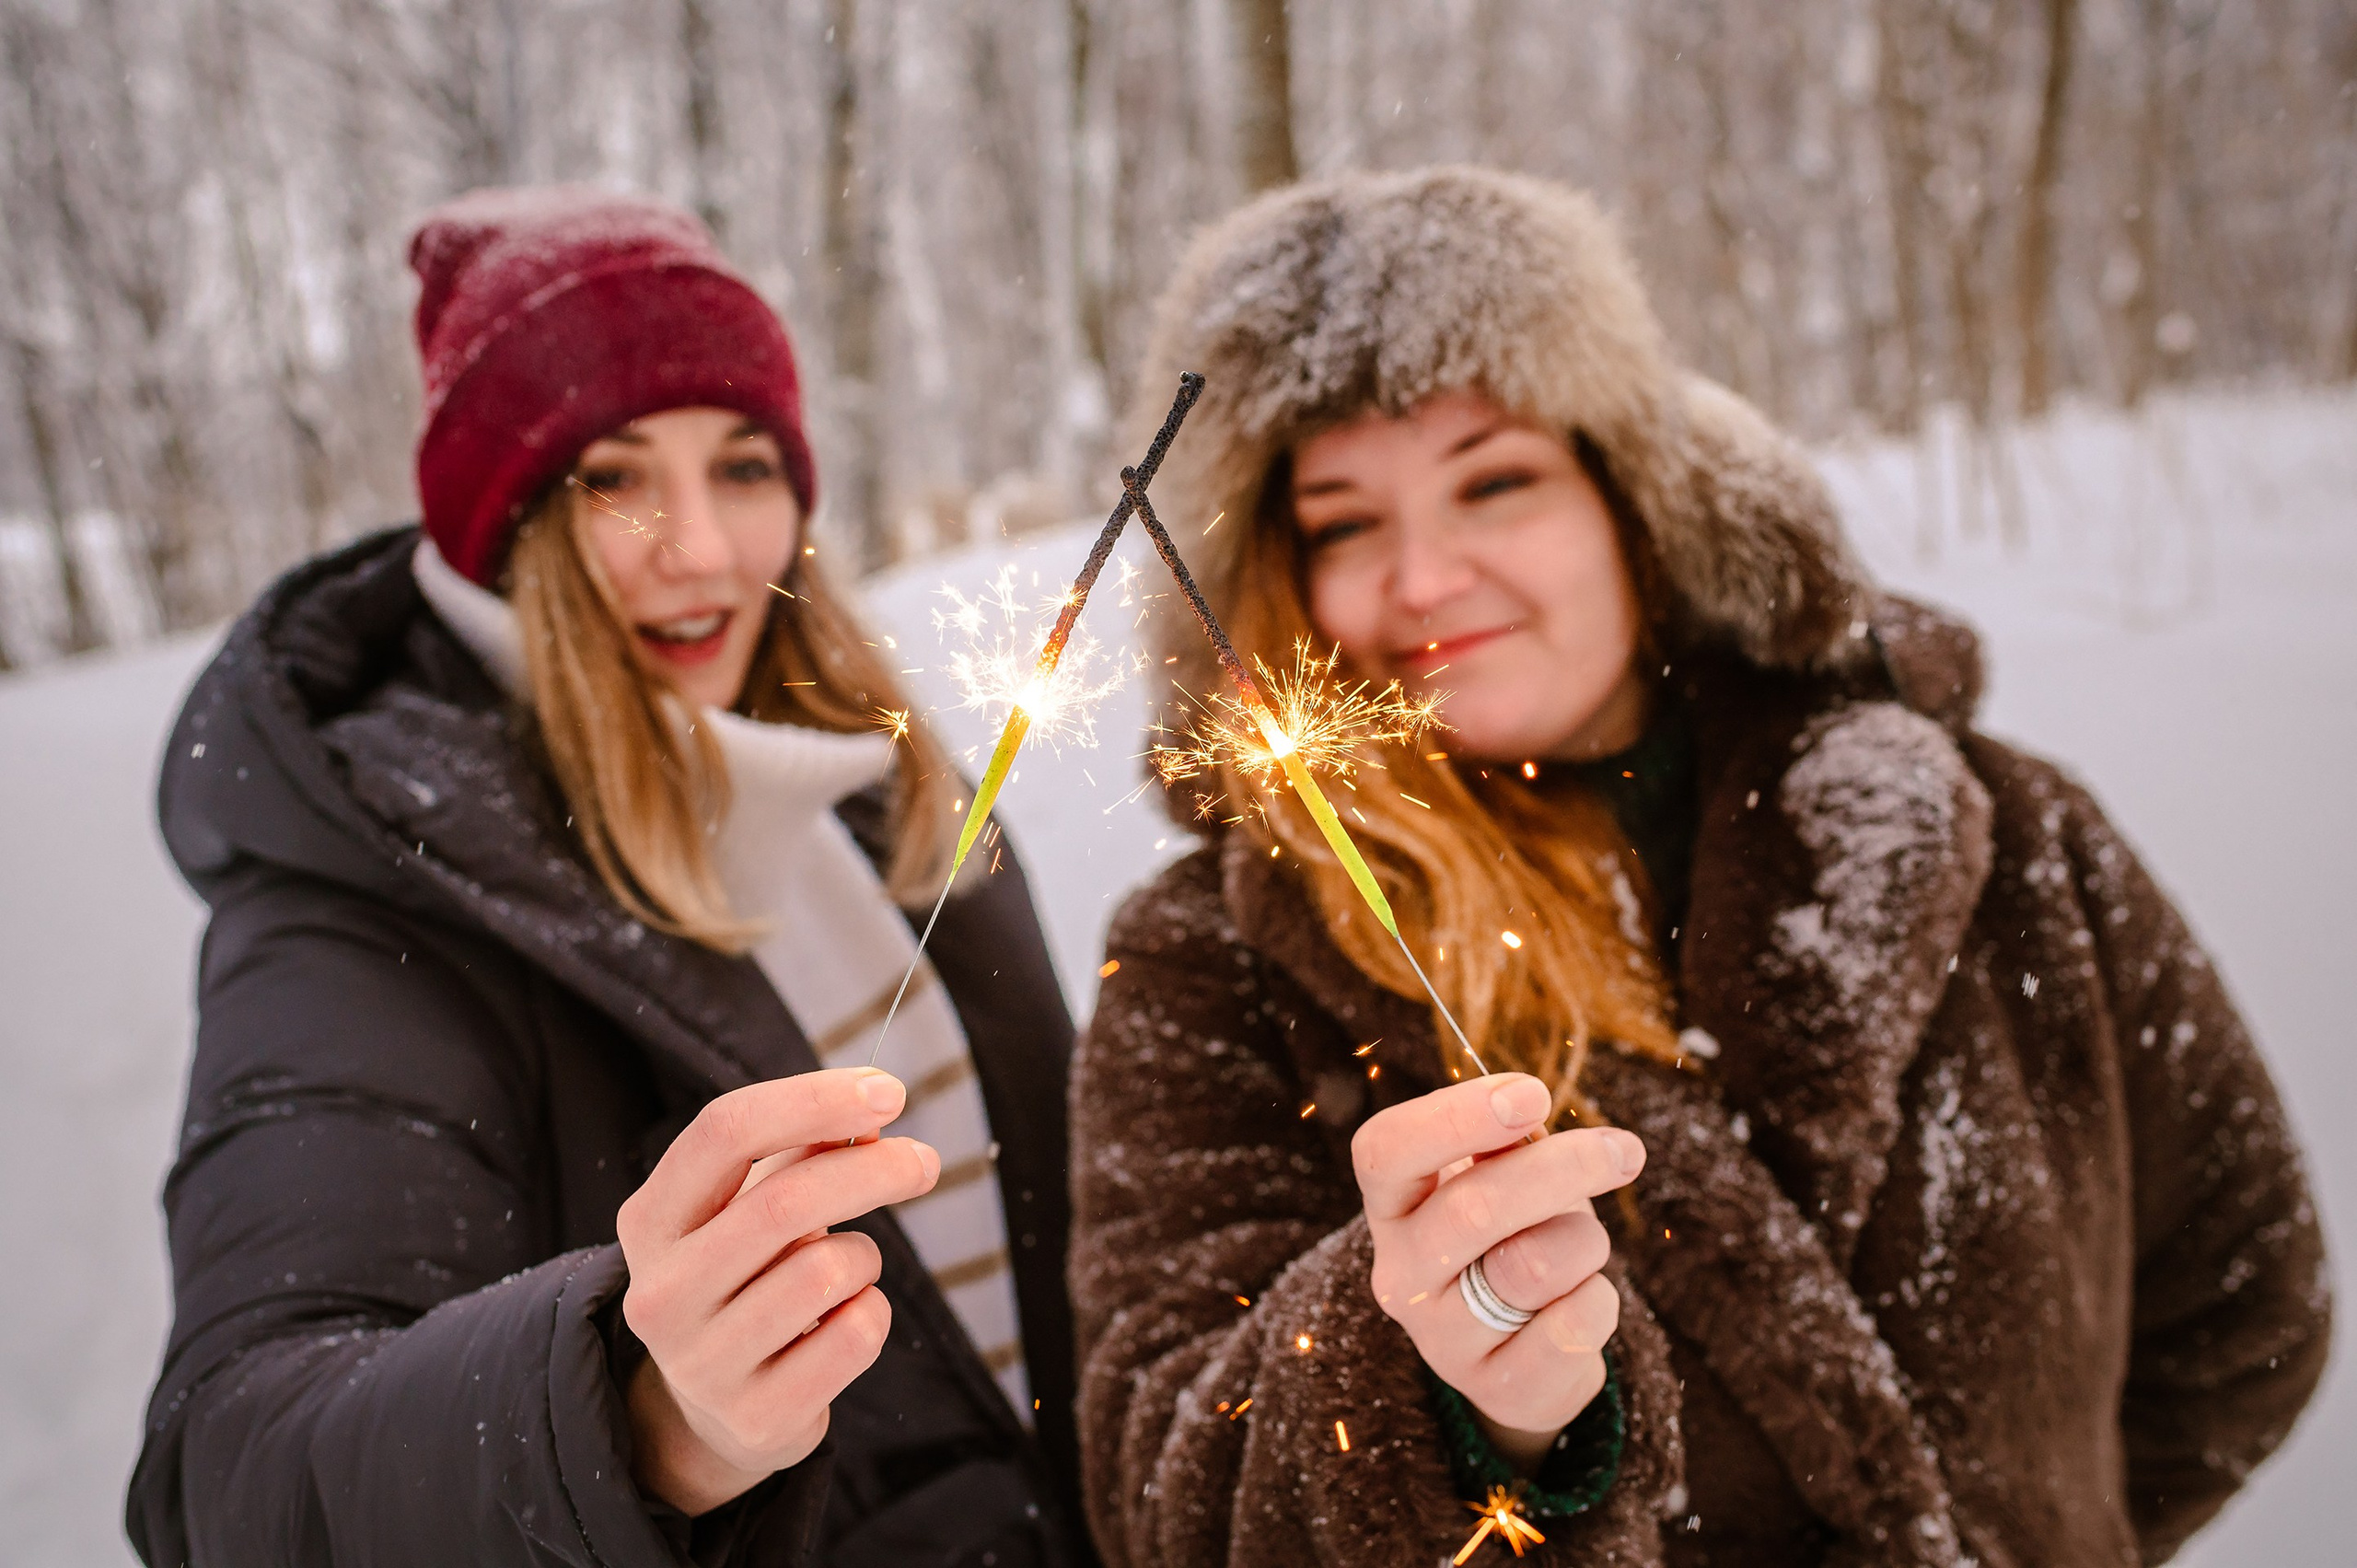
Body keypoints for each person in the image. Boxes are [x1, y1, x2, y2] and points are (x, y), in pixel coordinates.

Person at [1069, 166, 2330, 1566]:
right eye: (1347, 523)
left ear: (1636, 504)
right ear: (1277, 585)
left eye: (1495, 482)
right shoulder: (1218, 966)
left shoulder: (2004, 834)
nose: (1425, 578)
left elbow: (2245, 1306)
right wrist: (1458, 1410)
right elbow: (1167, 1504)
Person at [128, 186, 1094, 1567]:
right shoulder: (368, 903)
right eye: (614, 477)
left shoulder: (870, 773)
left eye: (744, 466)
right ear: (500, 525)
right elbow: (234, 1478)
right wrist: (638, 1425)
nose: (700, 550)